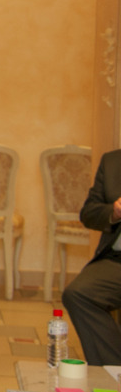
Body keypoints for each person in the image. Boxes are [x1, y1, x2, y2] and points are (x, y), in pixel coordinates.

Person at [62, 149, 121, 366]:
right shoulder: (112, 162)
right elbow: (89, 214)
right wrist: (113, 212)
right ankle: (113, 370)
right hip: (115, 259)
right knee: (79, 293)